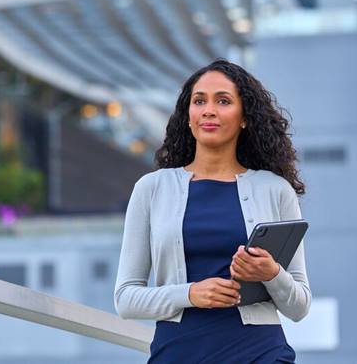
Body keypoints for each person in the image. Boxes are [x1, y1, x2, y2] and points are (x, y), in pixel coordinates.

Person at [113, 59, 311, 363]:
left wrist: (271, 273)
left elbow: (299, 307)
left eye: (223, 101)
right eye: (199, 100)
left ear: (245, 117)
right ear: (188, 116)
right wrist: (190, 294)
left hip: (261, 352)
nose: (209, 110)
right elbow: (126, 299)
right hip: (179, 352)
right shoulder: (152, 189)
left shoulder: (275, 190)